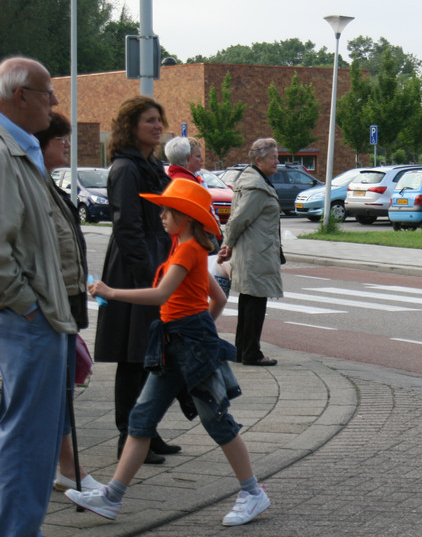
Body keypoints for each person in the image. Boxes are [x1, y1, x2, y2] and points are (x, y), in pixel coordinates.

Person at [66, 178, 271, 527]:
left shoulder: (188, 251)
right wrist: (200, 328)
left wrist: (110, 292)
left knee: (216, 421)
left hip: (187, 346)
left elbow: (161, 295)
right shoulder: (185, 248)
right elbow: (218, 299)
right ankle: (112, 498)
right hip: (175, 344)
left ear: (186, 217)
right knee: (141, 420)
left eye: (167, 210)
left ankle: (253, 493)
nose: (161, 215)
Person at [0, 56, 78, 537]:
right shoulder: (5, 153)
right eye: (47, 92)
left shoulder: (21, 149)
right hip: (27, 319)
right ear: (19, 96)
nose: (54, 101)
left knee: (31, 439)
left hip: (35, 316)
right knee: (28, 442)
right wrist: (27, 306)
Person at [93, 95, 179, 465]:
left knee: (151, 353)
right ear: (131, 126)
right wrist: (149, 276)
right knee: (134, 356)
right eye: (149, 121)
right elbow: (126, 225)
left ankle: (147, 431)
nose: (157, 126)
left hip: (155, 256)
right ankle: (128, 438)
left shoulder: (151, 165)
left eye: (159, 120)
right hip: (135, 265)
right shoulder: (126, 168)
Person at [34, 112, 103, 493]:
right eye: (61, 139)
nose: (68, 146)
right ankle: (63, 469)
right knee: (44, 396)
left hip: (60, 305)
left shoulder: (46, 183)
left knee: (59, 393)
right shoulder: (26, 182)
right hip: (43, 308)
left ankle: (66, 468)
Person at [217, 138, 283, 367]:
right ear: (258, 160)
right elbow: (239, 219)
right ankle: (251, 352)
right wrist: (227, 243)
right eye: (272, 158)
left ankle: (242, 350)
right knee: (255, 303)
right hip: (256, 252)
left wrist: (229, 244)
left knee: (249, 301)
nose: (277, 162)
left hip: (253, 251)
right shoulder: (257, 187)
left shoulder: (253, 181)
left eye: (277, 157)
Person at [164, 136, 221, 252]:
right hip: (194, 238)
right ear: (188, 158)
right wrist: (217, 234)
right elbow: (203, 214)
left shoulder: (170, 179)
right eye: (198, 156)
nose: (202, 160)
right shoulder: (187, 182)